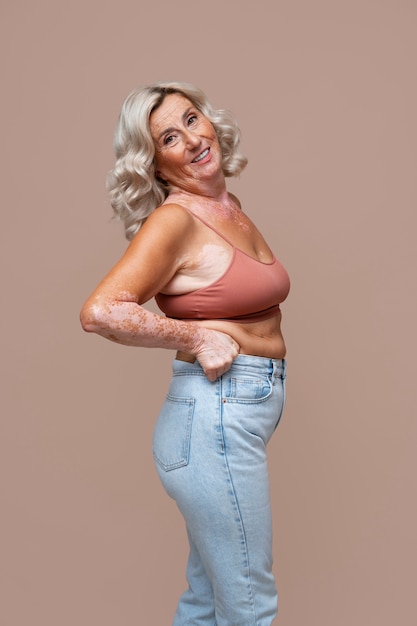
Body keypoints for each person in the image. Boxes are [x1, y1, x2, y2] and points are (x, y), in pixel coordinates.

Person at [80, 80, 290, 626]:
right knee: (249, 606)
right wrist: (194, 337)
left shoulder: (228, 208)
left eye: (192, 119)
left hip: (231, 417)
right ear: (155, 164)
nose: (193, 139)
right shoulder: (174, 220)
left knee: (206, 602)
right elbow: (101, 310)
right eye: (170, 138)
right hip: (212, 419)